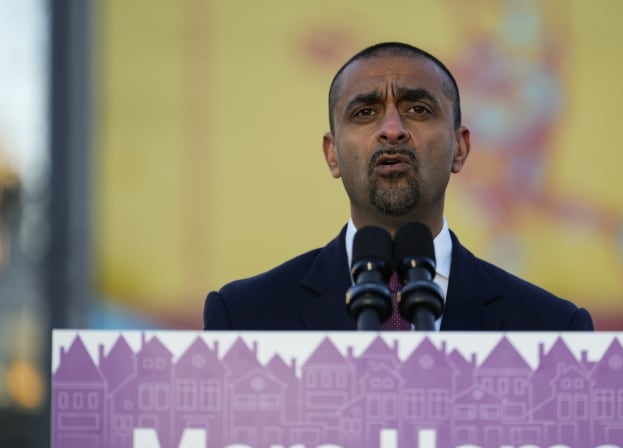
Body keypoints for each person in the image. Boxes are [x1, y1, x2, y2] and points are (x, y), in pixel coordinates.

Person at [203, 42, 593, 331]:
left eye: (418, 110)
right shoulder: (244, 317)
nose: (392, 130)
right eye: (365, 112)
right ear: (332, 154)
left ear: (460, 148)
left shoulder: (553, 328)